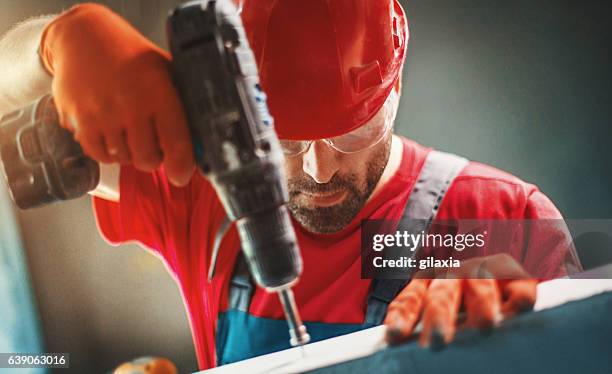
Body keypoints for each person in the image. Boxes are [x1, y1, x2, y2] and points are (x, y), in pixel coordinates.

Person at [0, 1, 580, 370]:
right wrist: (62, 41)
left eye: (353, 135)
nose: (318, 172)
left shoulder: (508, 218)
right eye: (287, 144)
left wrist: (528, 345)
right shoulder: (201, 185)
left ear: (394, 87)